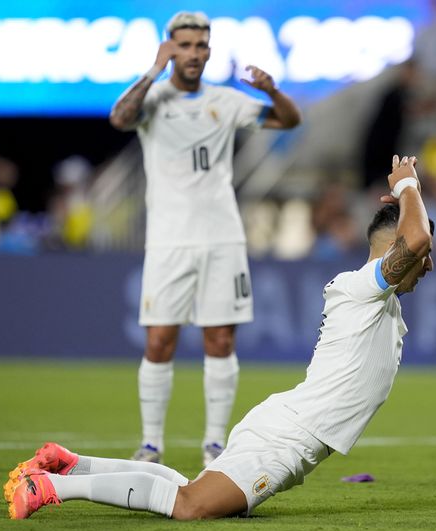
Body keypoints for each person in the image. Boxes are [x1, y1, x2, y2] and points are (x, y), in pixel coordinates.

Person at [4, 155, 435, 521]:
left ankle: (72, 466)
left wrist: (409, 202)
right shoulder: (363, 287)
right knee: (190, 506)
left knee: (191, 490)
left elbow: (414, 239)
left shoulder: (381, 300)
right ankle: (48, 487)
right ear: (397, 243)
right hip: (288, 439)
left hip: (285, 426)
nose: (428, 263)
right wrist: (408, 186)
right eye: (426, 256)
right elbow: (415, 238)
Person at [108, 11, 302, 466]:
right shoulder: (152, 101)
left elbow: (288, 120)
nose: (193, 54)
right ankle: (151, 444)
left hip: (222, 238)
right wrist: (154, 70)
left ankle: (215, 444)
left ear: (209, 49)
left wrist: (272, 89)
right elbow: (119, 119)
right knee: (159, 341)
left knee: (220, 340)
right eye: (184, 45)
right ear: (170, 47)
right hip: (169, 241)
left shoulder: (226, 100)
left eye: (200, 45)